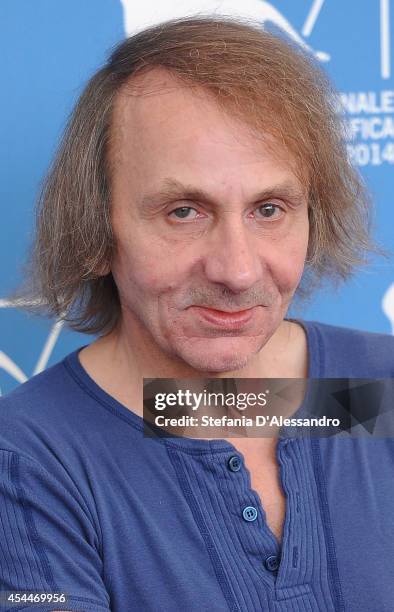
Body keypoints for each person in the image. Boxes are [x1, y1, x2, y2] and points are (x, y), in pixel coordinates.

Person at [0, 15, 393, 612]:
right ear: (98, 230)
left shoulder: (375, 393)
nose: (236, 271)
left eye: (269, 208)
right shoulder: (31, 458)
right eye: (184, 211)